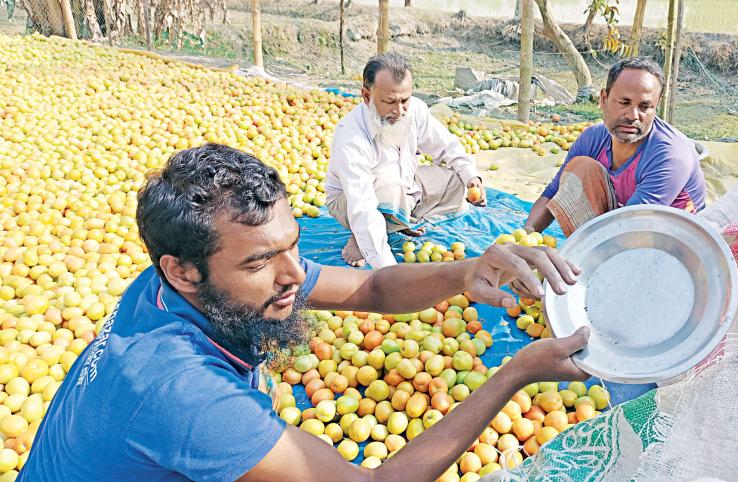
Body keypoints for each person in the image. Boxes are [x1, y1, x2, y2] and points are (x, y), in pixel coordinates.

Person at [20, 144, 589, 482]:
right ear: (183, 269)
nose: (294, 273)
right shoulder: (186, 397)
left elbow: (371, 291)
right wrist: (514, 374)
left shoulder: (167, 287)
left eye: (293, 243)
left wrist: (465, 272)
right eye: (262, 262)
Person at [326, 52, 485, 269]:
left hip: (404, 186)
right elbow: (361, 206)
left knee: (457, 180)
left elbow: (447, 146)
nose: (399, 111)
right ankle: (361, 237)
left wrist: (472, 178)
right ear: (366, 96)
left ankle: (395, 222)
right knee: (387, 183)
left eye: (404, 100)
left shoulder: (415, 110)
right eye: (390, 101)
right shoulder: (351, 135)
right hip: (352, 201)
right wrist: (388, 271)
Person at [523, 57, 706, 237]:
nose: (633, 115)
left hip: (674, 244)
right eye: (624, 103)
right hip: (622, 227)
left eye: (644, 107)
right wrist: (526, 235)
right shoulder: (593, 139)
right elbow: (553, 193)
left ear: (655, 107)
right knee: (581, 168)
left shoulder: (670, 156)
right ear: (603, 99)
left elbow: (629, 227)